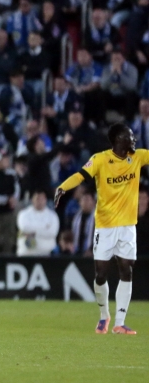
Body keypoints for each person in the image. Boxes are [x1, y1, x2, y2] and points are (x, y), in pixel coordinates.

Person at [54, 123, 145, 334]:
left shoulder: (138, 157)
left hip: (127, 226)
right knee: (101, 274)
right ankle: (104, 315)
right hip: (105, 226)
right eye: (128, 136)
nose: (133, 138)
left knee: (126, 269)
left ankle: (119, 323)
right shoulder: (100, 159)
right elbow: (79, 175)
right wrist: (62, 187)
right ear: (117, 140)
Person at [17, 191, 60, 257]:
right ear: (32, 200)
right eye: (37, 199)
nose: (39, 201)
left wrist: (33, 232)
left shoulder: (53, 216)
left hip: (47, 254)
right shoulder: (23, 214)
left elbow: (52, 232)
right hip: (26, 254)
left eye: (42, 199)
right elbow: (24, 228)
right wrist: (44, 228)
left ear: (45, 200)